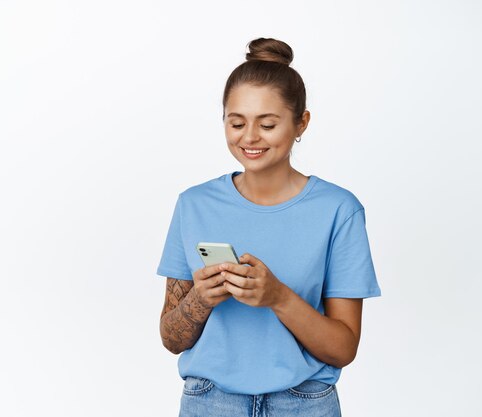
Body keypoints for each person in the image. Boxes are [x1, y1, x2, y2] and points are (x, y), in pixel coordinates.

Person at [156, 37, 382, 417]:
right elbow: (171, 339)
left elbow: (344, 348)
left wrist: (278, 296)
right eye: (237, 122)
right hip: (209, 403)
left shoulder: (339, 210)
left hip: (304, 403)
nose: (250, 138)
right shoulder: (193, 204)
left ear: (301, 123)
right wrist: (202, 299)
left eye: (268, 124)